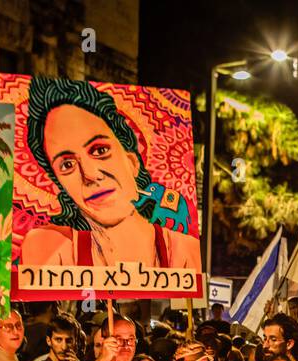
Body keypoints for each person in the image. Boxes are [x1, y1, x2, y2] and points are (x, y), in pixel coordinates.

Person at [20, 77, 201, 270]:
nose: (89, 174)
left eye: (99, 150)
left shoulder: (183, 253)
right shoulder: (51, 249)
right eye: (67, 164)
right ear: (61, 184)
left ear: (132, 162)